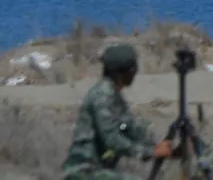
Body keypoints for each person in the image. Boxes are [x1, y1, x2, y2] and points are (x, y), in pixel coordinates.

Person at [61, 43, 173, 179]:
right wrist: (151, 152)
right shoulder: (102, 97)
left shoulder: (114, 96)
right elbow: (112, 139)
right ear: (123, 73)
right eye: (133, 69)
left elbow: (127, 126)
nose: (135, 73)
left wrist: (158, 145)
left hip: (99, 170)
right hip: (83, 171)